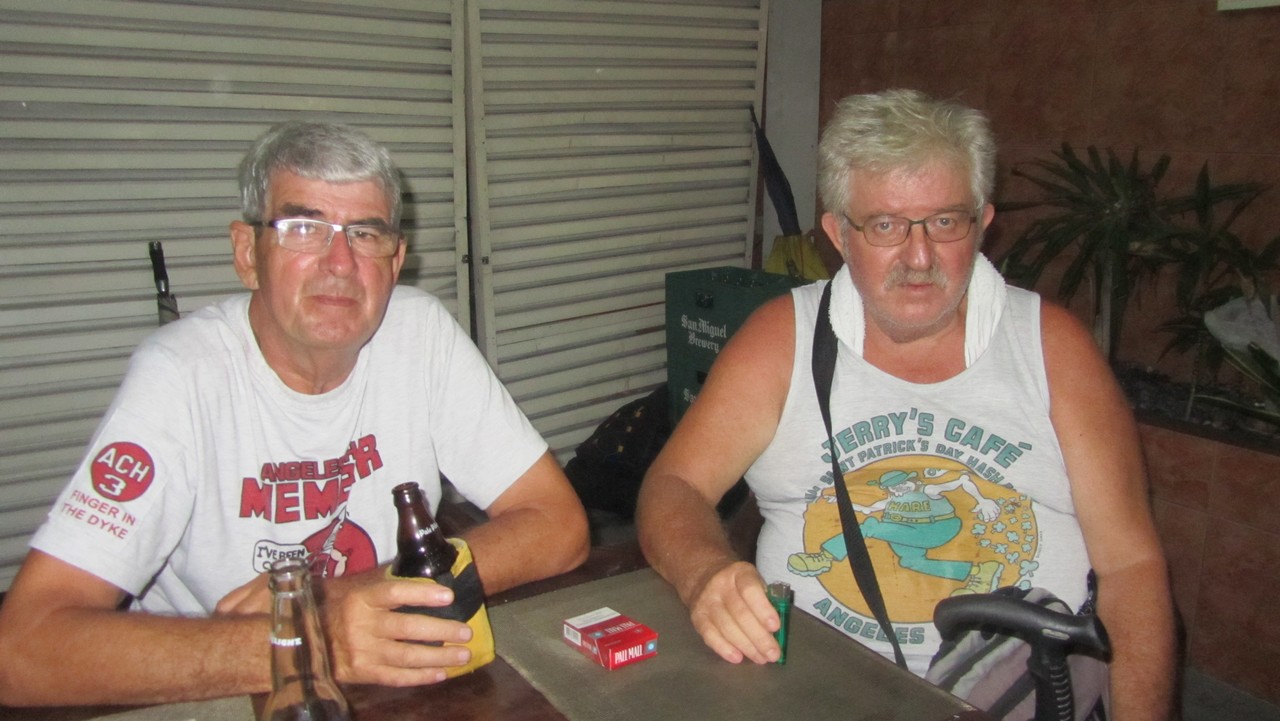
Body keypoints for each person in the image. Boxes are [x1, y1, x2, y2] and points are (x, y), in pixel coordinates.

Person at [0, 121, 589, 706]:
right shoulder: (181, 374)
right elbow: (20, 650)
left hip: (384, 685)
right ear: (247, 254)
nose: (340, 263)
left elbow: (559, 524)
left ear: (395, 261)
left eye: (365, 233)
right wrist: (309, 640)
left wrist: (333, 598)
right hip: (223, 688)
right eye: (304, 228)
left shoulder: (420, 332)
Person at [636, 90, 1175, 720]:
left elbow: (1131, 567)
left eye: (945, 222)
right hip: (812, 695)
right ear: (839, 234)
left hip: (1012, 696)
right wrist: (705, 574)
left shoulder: (1053, 349)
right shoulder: (781, 340)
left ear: (983, 223)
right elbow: (673, 485)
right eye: (887, 226)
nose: (919, 258)